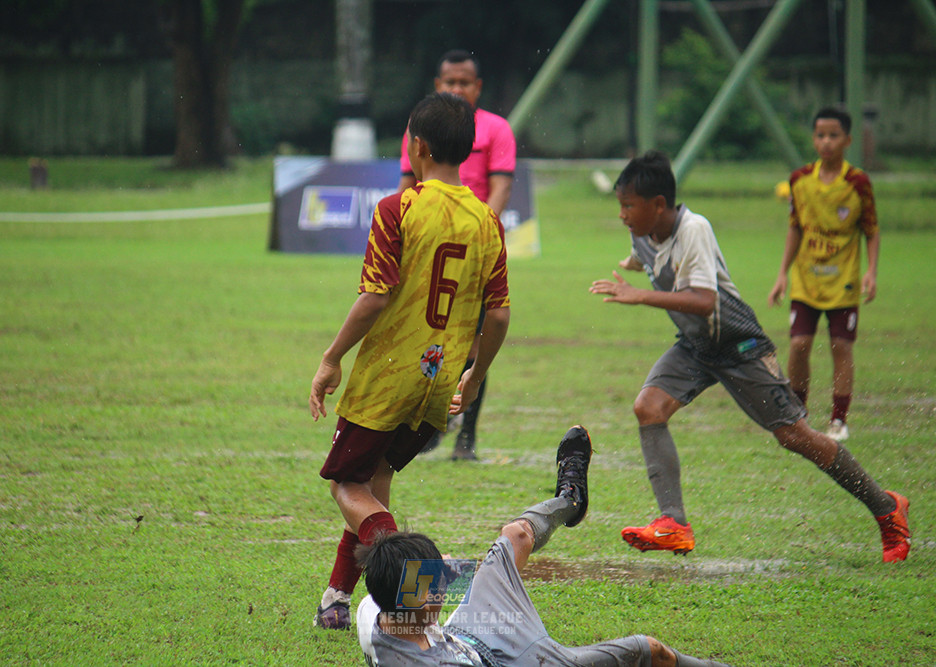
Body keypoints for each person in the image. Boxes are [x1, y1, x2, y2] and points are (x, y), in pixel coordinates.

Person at [589, 151, 910, 563]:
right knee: (648, 407)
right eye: (620, 205)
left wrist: (639, 295)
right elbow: (646, 257)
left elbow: (705, 302)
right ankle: (674, 524)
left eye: (628, 206)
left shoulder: (695, 229)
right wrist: (632, 264)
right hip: (696, 346)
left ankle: (887, 509)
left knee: (794, 436)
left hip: (738, 345)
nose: (622, 215)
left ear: (659, 205)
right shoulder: (641, 233)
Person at [309, 91, 511, 630]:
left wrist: (331, 359)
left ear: (416, 146)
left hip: (387, 376)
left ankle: (419, 573)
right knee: (374, 479)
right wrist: (474, 374)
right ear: (466, 151)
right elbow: (497, 317)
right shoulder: (487, 222)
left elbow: (375, 297)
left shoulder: (397, 208)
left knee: (345, 486)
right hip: (436, 381)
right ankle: (335, 600)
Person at [355, 425, 734, 666]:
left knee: (514, 536)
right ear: (419, 600)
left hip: (469, 631)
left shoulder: (379, 607)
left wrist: (439, 568)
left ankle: (570, 500)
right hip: (516, 661)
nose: (448, 580)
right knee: (646, 650)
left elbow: (408, 586)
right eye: (437, 583)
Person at [398, 49, 517, 461]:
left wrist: (481, 234)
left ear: (477, 87)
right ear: (437, 85)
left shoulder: (496, 129)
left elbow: (500, 187)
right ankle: (431, 425)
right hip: (432, 248)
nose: (456, 89)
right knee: (430, 335)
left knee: (474, 340)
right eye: (450, 82)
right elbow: (407, 188)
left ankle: (466, 433)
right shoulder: (420, 127)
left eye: (464, 82)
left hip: (475, 249)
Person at [768, 106, 880, 443]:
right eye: (820, 135)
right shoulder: (800, 180)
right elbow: (795, 229)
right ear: (814, 140)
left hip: (843, 280)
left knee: (840, 346)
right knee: (799, 344)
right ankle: (798, 415)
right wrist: (781, 275)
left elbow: (871, 230)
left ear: (847, 140)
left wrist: (871, 271)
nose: (826, 142)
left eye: (833, 136)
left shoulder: (858, 182)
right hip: (806, 278)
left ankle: (838, 419)